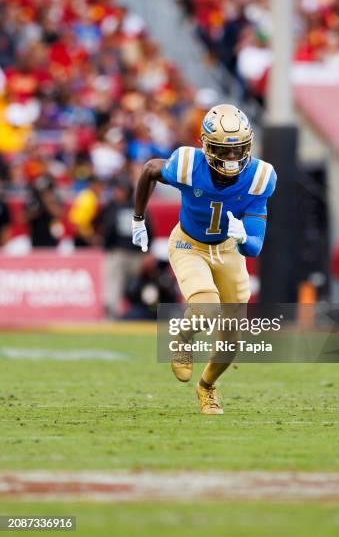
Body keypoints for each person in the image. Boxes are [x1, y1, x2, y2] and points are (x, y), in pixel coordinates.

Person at [131, 103, 277, 415]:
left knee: (232, 339)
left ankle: (207, 387)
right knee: (206, 306)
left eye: (239, 150)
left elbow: (254, 247)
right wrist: (138, 218)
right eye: (225, 151)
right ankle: (182, 339)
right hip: (189, 244)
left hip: (226, 248)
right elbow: (148, 170)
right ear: (207, 147)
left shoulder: (259, 177)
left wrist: (242, 236)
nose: (233, 158)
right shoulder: (187, 164)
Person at [100, 179, 153, 318]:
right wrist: (147, 251)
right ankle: (135, 314)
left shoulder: (113, 207)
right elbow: (149, 230)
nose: (116, 193)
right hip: (136, 254)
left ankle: (114, 315)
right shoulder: (139, 207)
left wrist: (106, 246)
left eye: (118, 190)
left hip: (119, 253)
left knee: (114, 283)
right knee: (131, 287)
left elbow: (108, 228)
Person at [25, 175, 63, 248]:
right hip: (36, 237)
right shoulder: (33, 200)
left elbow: (59, 214)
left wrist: (48, 202)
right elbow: (22, 218)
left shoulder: (55, 199)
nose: (45, 192)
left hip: (52, 239)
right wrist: (34, 212)